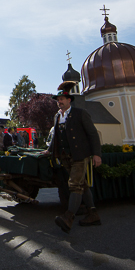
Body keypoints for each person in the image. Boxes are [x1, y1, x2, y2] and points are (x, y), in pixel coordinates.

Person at [46, 81, 102, 234]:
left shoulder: (80, 113)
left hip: (80, 155)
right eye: (58, 100)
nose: (59, 102)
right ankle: (93, 214)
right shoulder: (57, 116)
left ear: (69, 100)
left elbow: (93, 134)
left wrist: (96, 154)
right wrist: (49, 150)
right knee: (82, 185)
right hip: (65, 157)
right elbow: (56, 137)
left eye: (62, 99)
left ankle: (68, 217)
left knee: (74, 185)